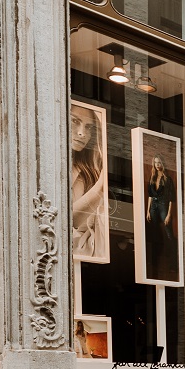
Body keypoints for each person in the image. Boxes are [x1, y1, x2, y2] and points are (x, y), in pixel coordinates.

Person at [70, 104, 107, 261]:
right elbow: (68, 220)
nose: (82, 133)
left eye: (89, 128)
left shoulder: (89, 171)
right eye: (74, 121)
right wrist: (101, 186)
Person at [143, 153, 178, 282]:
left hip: (164, 205)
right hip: (153, 206)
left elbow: (171, 198)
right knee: (153, 233)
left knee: (169, 234)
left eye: (159, 163)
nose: (157, 165)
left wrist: (169, 214)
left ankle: (173, 263)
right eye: (155, 163)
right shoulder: (152, 177)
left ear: (163, 163)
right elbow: (151, 196)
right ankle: (153, 262)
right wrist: (147, 211)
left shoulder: (168, 179)